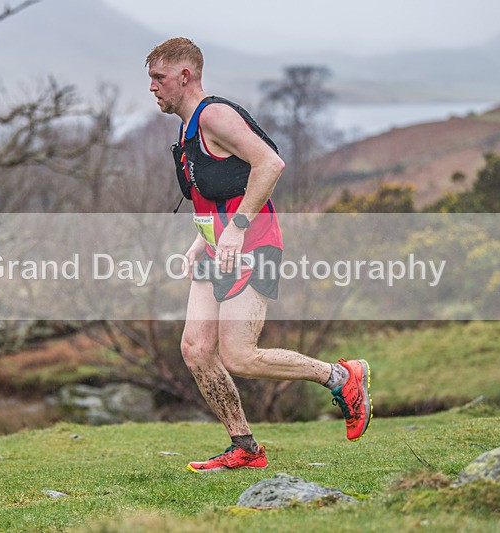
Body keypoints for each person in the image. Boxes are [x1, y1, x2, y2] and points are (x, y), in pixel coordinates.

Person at [146, 37, 372, 473]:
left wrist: (238, 228)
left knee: (240, 355)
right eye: (151, 79)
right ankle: (244, 446)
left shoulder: (214, 114)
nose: (152, 88)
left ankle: (342, 378)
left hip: (253, 244)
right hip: (219, 247)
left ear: (185, 76)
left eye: (159, 78)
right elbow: (214, 190)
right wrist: (201, 240)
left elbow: (270, 164)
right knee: (196, 349)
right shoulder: (188, 125)